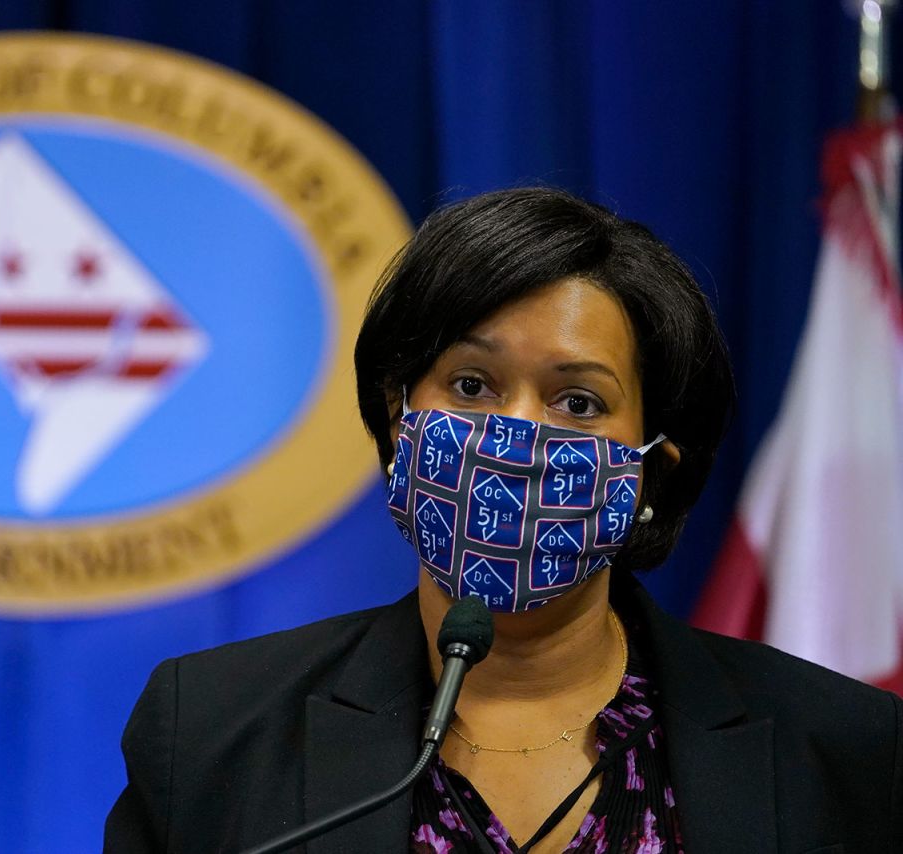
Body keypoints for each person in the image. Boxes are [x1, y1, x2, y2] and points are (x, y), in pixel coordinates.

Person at [103, 188, 903, 852]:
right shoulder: (211, 733)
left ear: (651, 469)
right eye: (473, 386)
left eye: (577, 401)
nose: (514, 437)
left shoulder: (843, 750)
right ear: (398, 418)